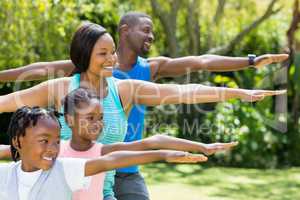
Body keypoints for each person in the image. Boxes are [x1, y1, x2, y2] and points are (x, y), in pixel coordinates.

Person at [0, 22, 286, 200]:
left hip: (103, 190)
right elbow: (6, 104)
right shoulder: (61, 87)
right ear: (85, 54)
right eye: (103, 53)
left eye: (113, 51)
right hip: (53, 189)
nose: (112, 58)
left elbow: (182, 93)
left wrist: (239, 93)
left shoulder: (123, 90)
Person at [0, 106, 207, 200]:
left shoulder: (64, 170)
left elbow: (110, 160)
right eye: (44, 141)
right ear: (18, 141)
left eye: (56, 142)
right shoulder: (5, 174)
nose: (53, 149)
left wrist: (163, 154)